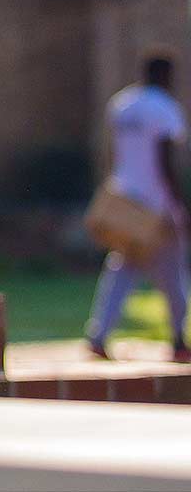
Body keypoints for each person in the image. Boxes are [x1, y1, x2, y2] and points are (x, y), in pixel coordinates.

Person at [85, 56, 190, 363]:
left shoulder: (123, 104)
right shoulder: (164, 108)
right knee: (173, 272)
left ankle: (98, 334)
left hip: (126, 196)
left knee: (123, 268)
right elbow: (165, 159)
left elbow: (112, 151)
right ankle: (179, 339)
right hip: (157, 203)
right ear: (166, 74)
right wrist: (178, 202)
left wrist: (111, 187)